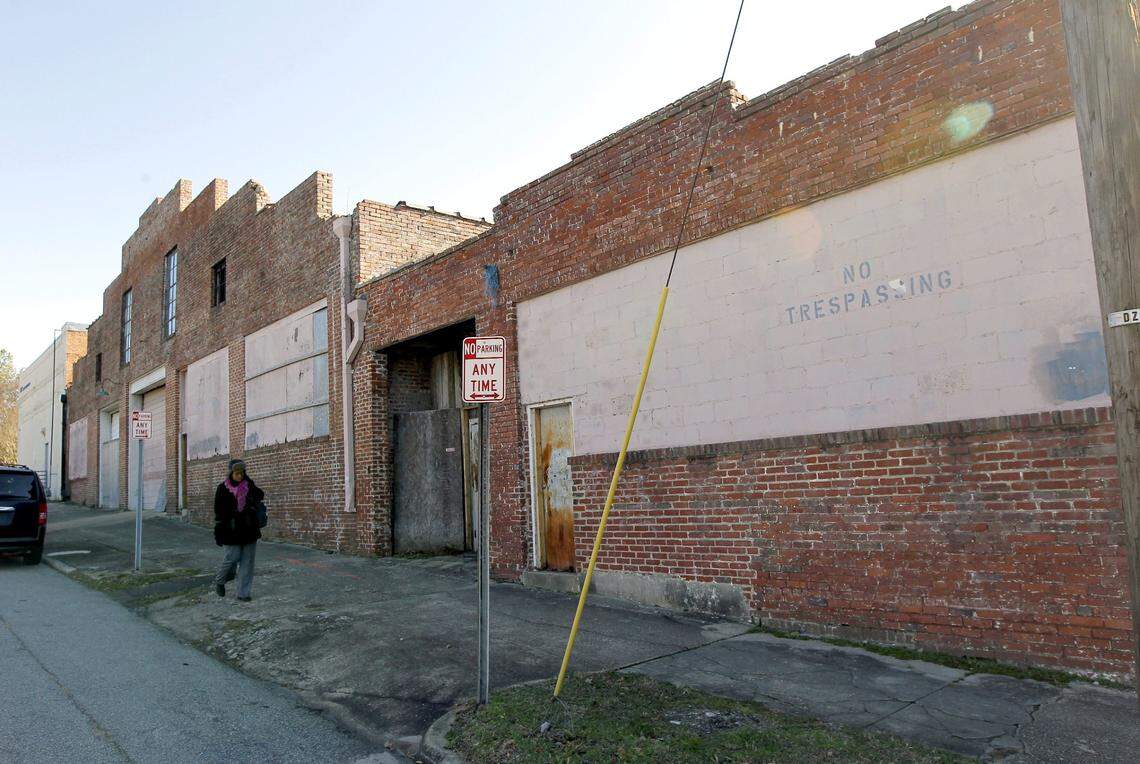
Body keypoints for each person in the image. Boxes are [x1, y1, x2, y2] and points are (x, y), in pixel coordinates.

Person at [212, 459, 264, 602]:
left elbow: (261, 495)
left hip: (249, 529)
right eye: (237, 473)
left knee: (247, 562)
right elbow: (218, 513)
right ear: (231, 473)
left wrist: (250, 484)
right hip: (231, 531)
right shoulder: (222, 488)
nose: (240, 476)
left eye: (242, 473)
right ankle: (220, 580)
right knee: (232, 558)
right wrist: (219, 532)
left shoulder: (248, 485)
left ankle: (243, 594)